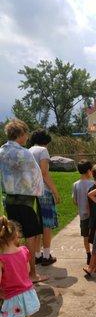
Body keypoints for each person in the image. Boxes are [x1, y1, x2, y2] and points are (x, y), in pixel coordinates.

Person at [0, 119, 47, 283]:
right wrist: (39, 192)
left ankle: (16, 273)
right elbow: (35, 176)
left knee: (14, 236)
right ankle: (32, 273)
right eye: (25, 134)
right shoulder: (24, 153)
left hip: (9, 201)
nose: (27, 137)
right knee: (31, 236)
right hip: (25, 202)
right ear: (20, 134)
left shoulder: (2, 151)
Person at [0, 216, 42, 317]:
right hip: (27, 291)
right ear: (15, 235)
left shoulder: (1, 259)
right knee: (23, 316)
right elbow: (28, 269)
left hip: (12, 296)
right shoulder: (23, 250)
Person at [29, 130, 60, 266]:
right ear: (46, 141)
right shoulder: (43, 150)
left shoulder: (28, 150)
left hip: (31, 192)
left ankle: (37, 255)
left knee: (36, 224)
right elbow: (44, 173)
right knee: (47, 224)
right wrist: (55, 191)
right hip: (44, 192)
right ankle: (47, 256)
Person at [72, 160, 93, 264]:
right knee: (94, 235)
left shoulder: (75, 185)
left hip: (83, 215)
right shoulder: (93, 183)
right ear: (89, 171)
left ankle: (88, 254)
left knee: (86, 236)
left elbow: (74, 201)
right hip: (93, 215)